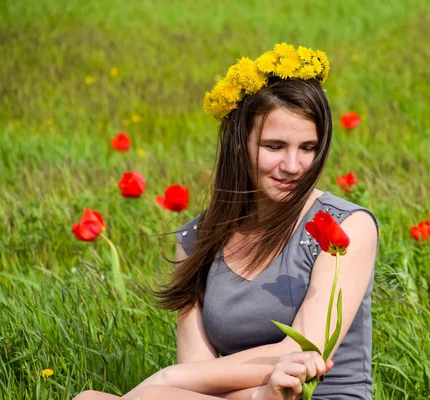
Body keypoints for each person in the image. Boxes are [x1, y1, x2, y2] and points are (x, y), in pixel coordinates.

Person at [74, 43, 379, 400]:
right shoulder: (195, 240)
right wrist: (257, 395)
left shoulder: (346, 227)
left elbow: (302, 351)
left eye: (308, 148)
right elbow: (198, 377)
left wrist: (165, 380)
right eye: (274, 147)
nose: (294, 166)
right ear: (239, 144)